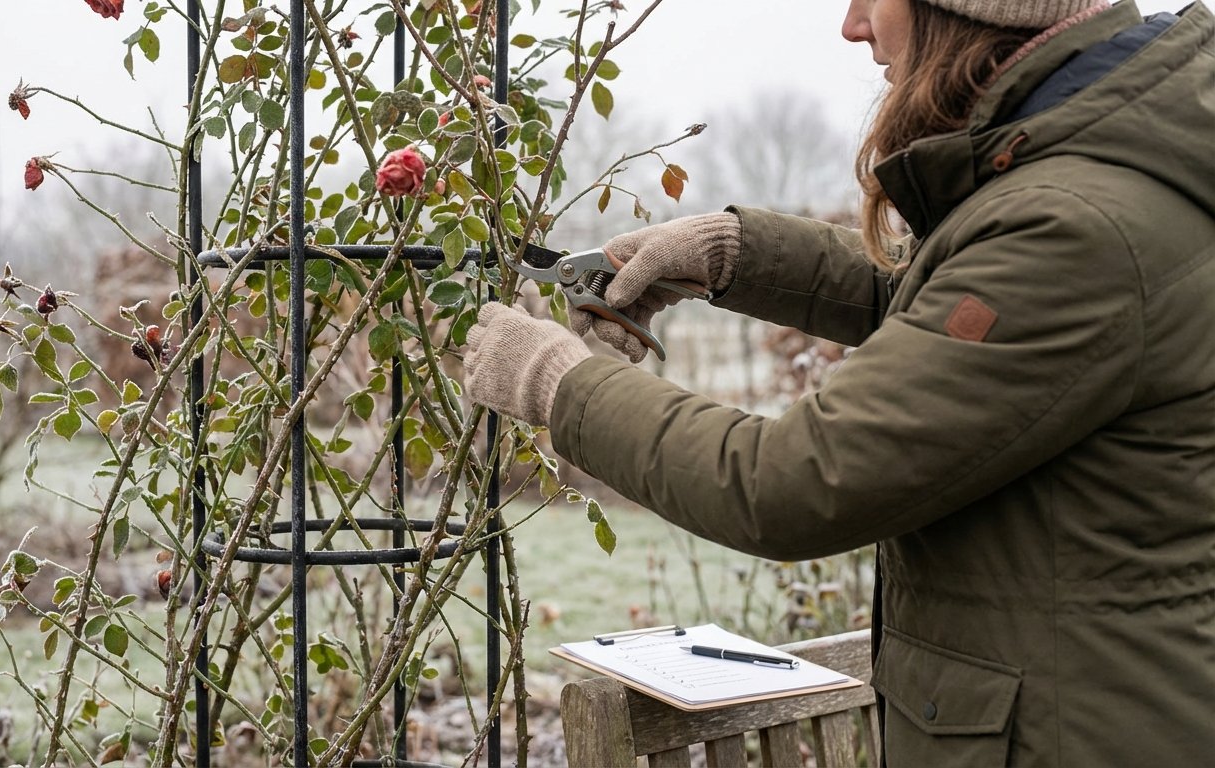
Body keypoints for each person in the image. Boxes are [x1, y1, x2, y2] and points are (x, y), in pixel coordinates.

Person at [463, 0, 1215, 765]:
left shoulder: (1075, 228)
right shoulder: (1101, 172)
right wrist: (734, 253)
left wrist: (560, 382)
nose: (853, 26)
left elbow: (792, 485)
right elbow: (944, 305)